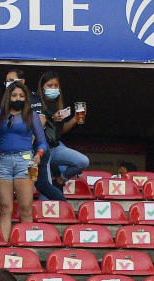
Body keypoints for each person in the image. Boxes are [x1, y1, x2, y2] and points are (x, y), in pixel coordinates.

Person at [0, 81, 46, 238]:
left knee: (25, 208)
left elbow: (42, 141)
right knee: (5, 208)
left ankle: (27, 249)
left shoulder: (31, 115)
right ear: (8, 96)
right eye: (14, 95)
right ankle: (3, 248)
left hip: (25, 160)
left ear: (26, 98)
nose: (18, 98)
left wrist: (39, 154)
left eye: (22, 96)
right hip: (2, 161)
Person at [32, 71, 89, 202]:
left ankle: (61, 179)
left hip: (55, 148)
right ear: (42, 87)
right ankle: (47, 215)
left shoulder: (58, 104)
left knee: (83, 161)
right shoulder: (36, 101)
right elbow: (36, 123)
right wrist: (51, 117)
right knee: (45, 189)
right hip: (40, 150)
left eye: (56, 86)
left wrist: (75, 118)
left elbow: (60, 130)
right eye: (49, 85)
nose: (53, 88)